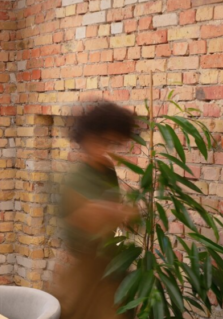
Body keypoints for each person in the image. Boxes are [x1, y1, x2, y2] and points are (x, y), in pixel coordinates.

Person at [53, 102, 138, 319]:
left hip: (114, 268)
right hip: (87, 274)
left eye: (115, 143)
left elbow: (118, 221)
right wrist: (121, 211)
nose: (108, 149)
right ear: (87, 140)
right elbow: (90, 218)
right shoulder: (75, 180)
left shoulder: (108, 171)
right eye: (103, 142)